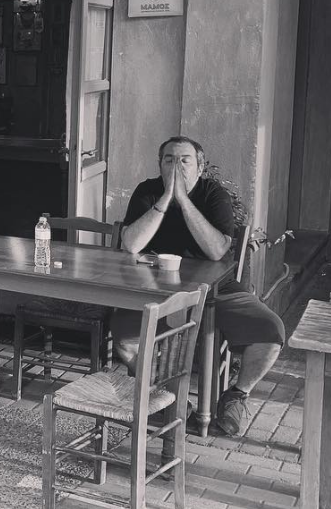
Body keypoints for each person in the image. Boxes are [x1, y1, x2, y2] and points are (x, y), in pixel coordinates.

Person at [115, 136, 286, 436]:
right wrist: (165, 200)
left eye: (185, 160)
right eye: (169, 159)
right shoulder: (147, 191)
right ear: (160, 164)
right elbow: (130, 244)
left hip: (217, 290)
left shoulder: (214, 195)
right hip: (157, 290)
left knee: (271, 332)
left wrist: (183, 200)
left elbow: (217, 250)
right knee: (125, 337)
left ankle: (236, 396)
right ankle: (164, 397)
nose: (176, 166)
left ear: (200, 166)